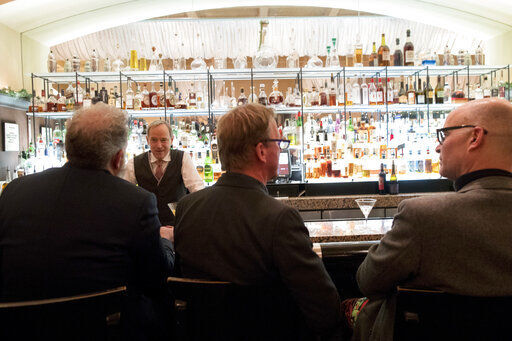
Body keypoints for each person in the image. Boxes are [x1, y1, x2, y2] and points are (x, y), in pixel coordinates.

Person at [0, 103, 174, 339]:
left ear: (69, 149)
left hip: (20, 328)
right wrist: (165, 241)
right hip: (105, 327)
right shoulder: (136, 202)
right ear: (118, 158)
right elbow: (155, 280)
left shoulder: (15, 191)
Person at [174, 104, 343, 338]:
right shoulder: (280, 218)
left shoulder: (186, 208)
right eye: (279, 142)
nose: (281, 149)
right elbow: (324, 310)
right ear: (261, 152)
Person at [353, 98, 512, 341]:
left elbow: (368, 281)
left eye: (444, 135)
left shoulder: (423, 216)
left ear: (475, 137)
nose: (438, 147)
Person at [123, 120, 204, 226]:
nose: (159, 145)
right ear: (147, 140)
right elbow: (124, 196)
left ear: (172, 140)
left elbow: (198, 191)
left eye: (163, 140)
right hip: (146, 228)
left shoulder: (183, 158)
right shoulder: (133, 163)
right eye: (154, 140)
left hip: (178, 226)